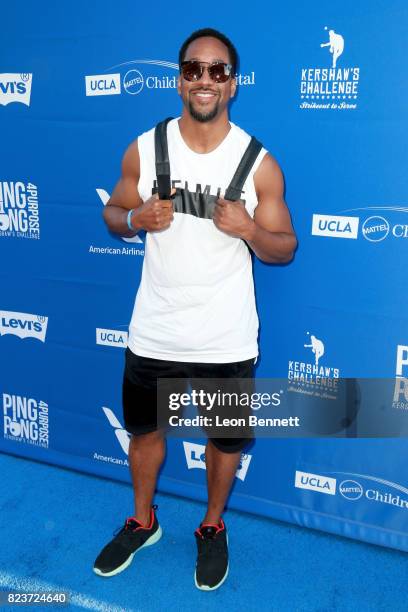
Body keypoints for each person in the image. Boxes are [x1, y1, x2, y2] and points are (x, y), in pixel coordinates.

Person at [93, 27, 297, 591]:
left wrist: (251, 229)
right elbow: (113, 209)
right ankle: (143, 519)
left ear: (232, 84)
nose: (204, 80)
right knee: (144, 432)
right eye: (193, 69)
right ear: (179, 79)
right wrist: (135, 220)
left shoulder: (257, 163)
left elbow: (285, 247)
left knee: (224, 441)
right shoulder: (146, 147)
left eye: (217, 71)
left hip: (226, 337)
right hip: (153, 330)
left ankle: (211, 525)